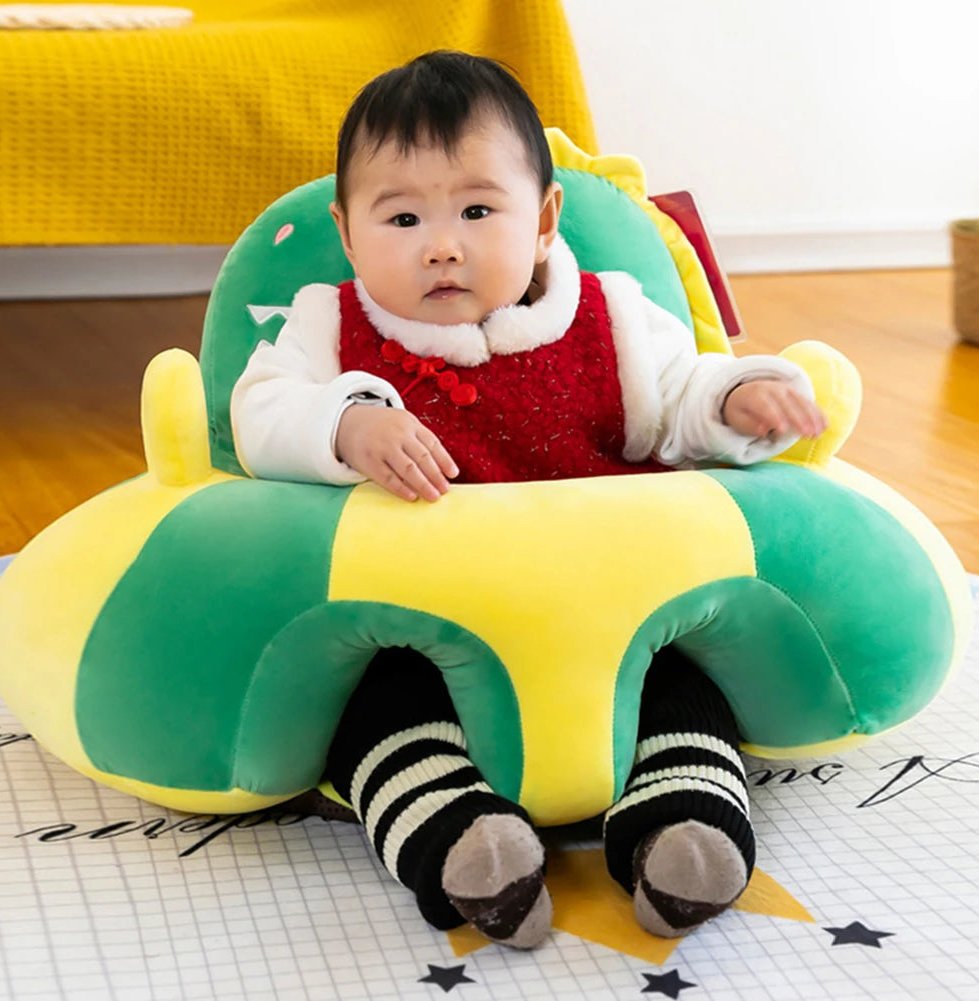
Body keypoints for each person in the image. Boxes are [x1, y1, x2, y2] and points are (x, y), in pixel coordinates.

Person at [231, 50, 826, 949]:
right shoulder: (327, 324)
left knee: (680, 681)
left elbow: (675, 395)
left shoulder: (609, 315)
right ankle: (461, 841)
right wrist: (344, 422)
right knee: (372, 702)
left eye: (477, 210)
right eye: (401, 217)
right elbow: (259, 411)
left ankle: (682, 823)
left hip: (607, 619)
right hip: (423, 626)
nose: (441, 243)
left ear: (545, 219)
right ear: (348, 236)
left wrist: (735, 395)